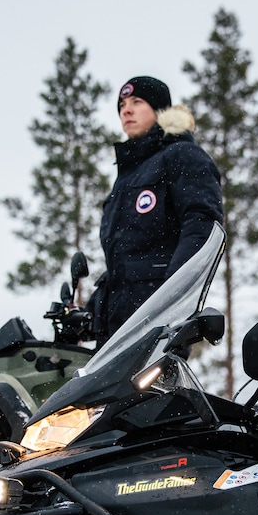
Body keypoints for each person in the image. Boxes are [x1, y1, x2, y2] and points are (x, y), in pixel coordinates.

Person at [90, 76, 223, 344]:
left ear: (161, 110)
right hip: (116, 328)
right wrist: (90, 313)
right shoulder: (125, 179)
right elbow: (123, 265)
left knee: (149, 388)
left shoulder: (182, 156)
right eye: (122, 104)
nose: (126, 110)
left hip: (156, 324)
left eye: (137, 102)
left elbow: (201, 228)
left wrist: (171, 300)